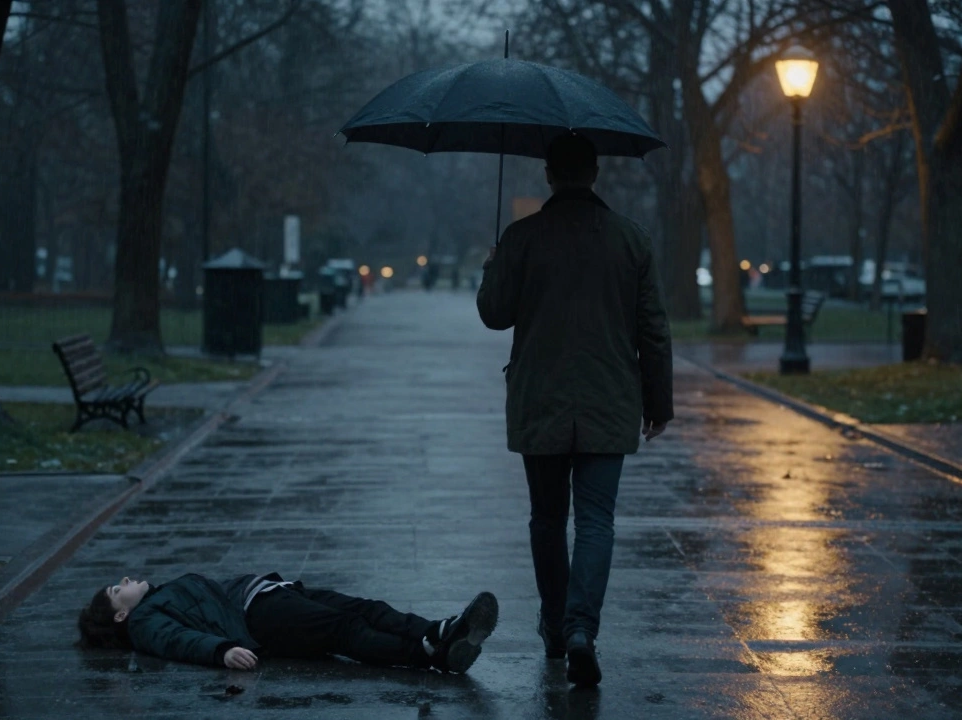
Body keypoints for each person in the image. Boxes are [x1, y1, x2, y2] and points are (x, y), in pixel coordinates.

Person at [476, 134, 674, 687]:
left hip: (541, 400)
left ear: (548, 175)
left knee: (546, 518)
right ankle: (582, 628)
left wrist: (494, 268)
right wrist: (659, 402)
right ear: (594, 173)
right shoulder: (630, 240)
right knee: (596, 520)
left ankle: (557, 625)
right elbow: (653, 328)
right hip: (609, 401)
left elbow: (494, 315)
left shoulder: (522, 238)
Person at [78, 572, 498, 675]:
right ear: (121, 614)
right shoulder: (144, 622)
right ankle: (428, 654)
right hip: (258, 615)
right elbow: (177, 640)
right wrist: (220, 650)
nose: (127, 580)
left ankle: (439, 631)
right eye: (119, 589)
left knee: (364, 607)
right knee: (344, 627)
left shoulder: (155, 600)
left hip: (272, 592)